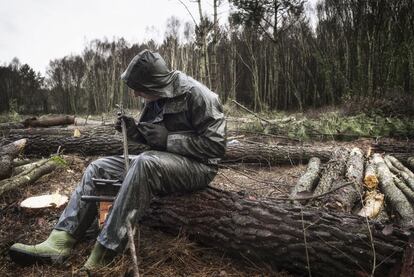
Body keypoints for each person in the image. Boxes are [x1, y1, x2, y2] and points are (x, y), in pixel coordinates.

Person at [9, 49, 226, 271]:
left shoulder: (199, 95)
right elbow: (152, 142)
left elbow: (216, 147)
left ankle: (105, 253)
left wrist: (170, 140)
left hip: (200, 166)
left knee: (145, 163)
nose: (135, 95)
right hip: (164, 160)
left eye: (138, 90)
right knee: (98, 167)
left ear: (153, 85)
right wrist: (134, 131)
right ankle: (60, 241)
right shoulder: (155, 98)